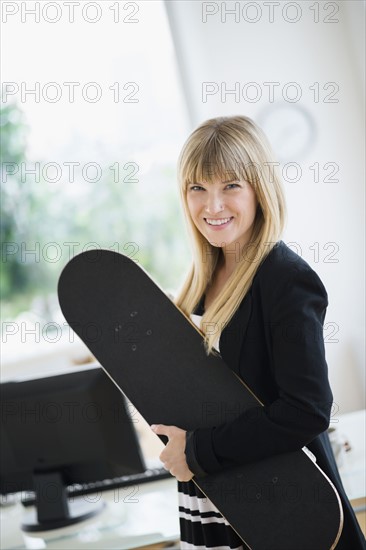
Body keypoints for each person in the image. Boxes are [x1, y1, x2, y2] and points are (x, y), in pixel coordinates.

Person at [150, 116, 365, 549]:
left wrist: (198, 451)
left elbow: (306, 411)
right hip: (212, 497)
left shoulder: (285, 279)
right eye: (198, 188)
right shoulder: (199, 281)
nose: (212, 206)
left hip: (280, 501)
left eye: (230, 186)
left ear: (259, 189)